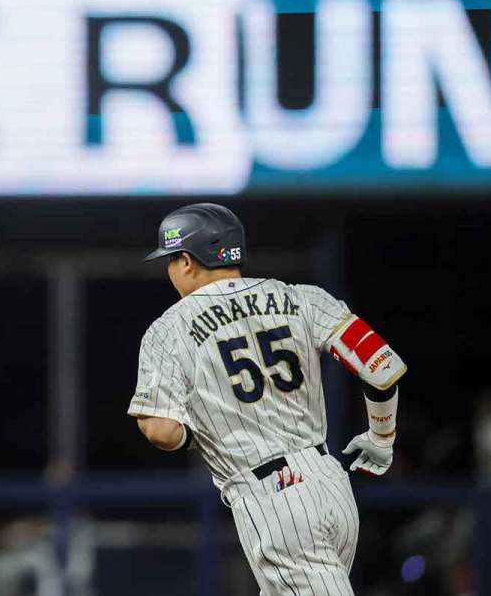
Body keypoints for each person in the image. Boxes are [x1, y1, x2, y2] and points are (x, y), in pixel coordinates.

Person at [128, 202, 405, 595]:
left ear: (187, 261)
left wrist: (199, 429)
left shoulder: (169, 328)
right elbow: (381, 366)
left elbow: (160, 430)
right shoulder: (303, 297)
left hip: (274, 498)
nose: (169, 270)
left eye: (170, 260)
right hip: (331, 483)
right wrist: (381, 437)